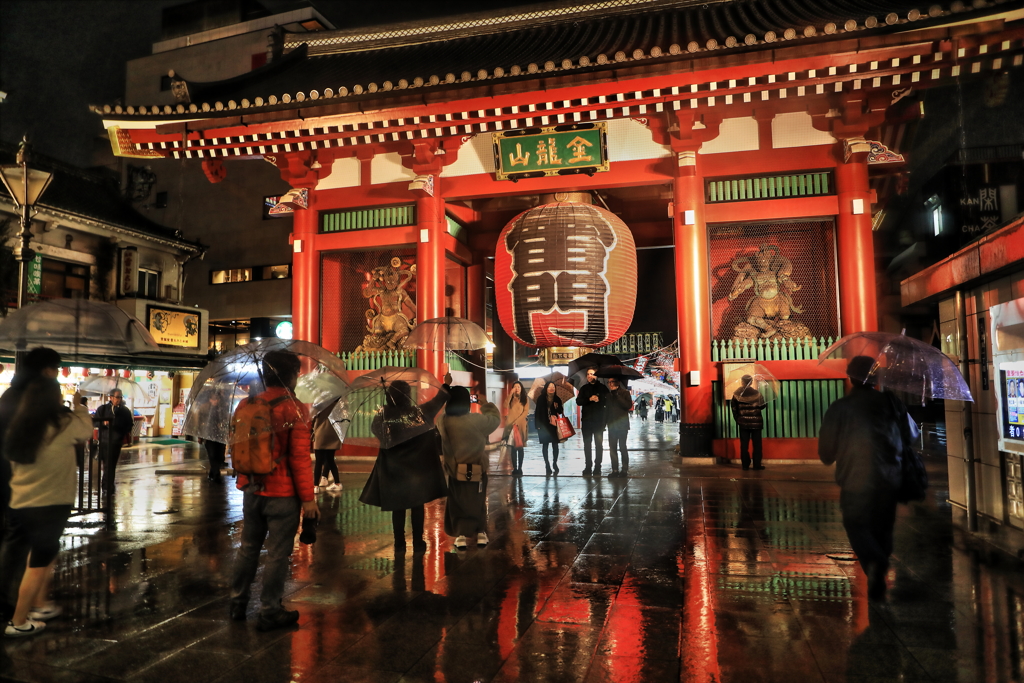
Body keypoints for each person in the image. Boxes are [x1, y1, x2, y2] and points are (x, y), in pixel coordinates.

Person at [229, 350, 319, 631]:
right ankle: (270, 610)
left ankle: (237, 603)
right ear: (291, 375)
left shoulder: (246, 403)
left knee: (248, 548)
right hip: (282, 495)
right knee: (278, 553)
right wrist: (308, 501)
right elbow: (300, 460)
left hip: (251, 488)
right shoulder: (296, 409)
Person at [2, 377, 92, 637]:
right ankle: (18, 622)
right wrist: (79, 405)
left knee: (41, 555)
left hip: (21, 502)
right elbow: (85, 429)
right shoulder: (62, 424)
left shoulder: (18, 425)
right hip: (50, 503)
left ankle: (40, 605)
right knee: (39, 562)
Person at [818, 355, 907, 601]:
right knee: (883, 526)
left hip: (855, 478)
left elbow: (826, 452)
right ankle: (879, 564)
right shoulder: (892, 403)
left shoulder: (840, 408)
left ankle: (875, 562)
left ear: (851, 378)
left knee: (856, 524)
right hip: (890, 476)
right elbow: (910, 434)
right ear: (876, 379)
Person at [0, 347, 64, 623]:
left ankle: (17, 600)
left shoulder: (10, 394)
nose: (58, 373)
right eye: (57, 368)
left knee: (18, 540)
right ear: (47, 369)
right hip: (24, 482)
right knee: (26, 543)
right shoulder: (34, 397)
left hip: (12, 478)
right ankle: (15, 605)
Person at [360, 378, 449, 553]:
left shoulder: (383, 415)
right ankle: (417, 542)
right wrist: (446, 385)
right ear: (407, 395)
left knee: (398, 508)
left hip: (393, 470)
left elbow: (376, 430)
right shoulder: (419, 413)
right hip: (416, 470)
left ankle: (399, 543)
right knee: (417, 506)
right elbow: (439, 400)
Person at [437, 386, 500, 549]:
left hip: (456, 471)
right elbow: (494, 419)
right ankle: (480, 534)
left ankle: (461, 536)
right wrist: (486, 405)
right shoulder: (477, 420)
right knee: (478, 501)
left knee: (457, 503)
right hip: (477, 469)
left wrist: (445, 388)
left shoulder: (444, 421)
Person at [93, 389, 134, 496]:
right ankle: (107, 486)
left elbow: (129, 425)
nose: (119, 399)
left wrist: (121, 432)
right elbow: (95, 422)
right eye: (117, 397)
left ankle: (107, 486)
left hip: (115, 441)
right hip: (104, 441)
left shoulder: (124, 411)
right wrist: (104, 423)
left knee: (111, 465)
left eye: (120, 397)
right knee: (107, 464)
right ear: (110, 397)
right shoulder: (102, 409)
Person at [577, 368, 609, 476]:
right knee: (587, 444)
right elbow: (578, 401)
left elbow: (608, 402)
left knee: (598, 445)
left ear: (597, 375)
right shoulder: (584, 388)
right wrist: (589, 399)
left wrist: (599, 399)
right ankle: (588, 466)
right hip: (586, 421)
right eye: (588, 374)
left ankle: (598, 466)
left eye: (592, 374)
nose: (590, 376)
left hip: (599, 422)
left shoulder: (603, 388)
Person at [731, 375, 766, 471]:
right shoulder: (757, 393)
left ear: (742, 382)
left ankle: (745, 465)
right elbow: (763, 406)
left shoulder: (736, 394)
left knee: (744, 444)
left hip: (743, 423)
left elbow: (734, 409)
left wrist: (738, 419)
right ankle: (757, 464)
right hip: (756, 423)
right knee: (757, 444)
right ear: (751, 382)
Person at [312, 399, 343, 492]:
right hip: (333, 434)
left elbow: (312, 417)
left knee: (318, 462)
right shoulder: (339, 406)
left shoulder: (319, 405)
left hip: (320, 433)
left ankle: (315, 486)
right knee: (330, 460)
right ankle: (337, 483)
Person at [534, 381, 564, 475]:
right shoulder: (541, 398)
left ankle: (555, 463)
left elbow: (560, 411)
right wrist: (537, 425)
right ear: (546, 388)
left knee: (555, 445)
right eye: (549, 387)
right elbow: (537, 412)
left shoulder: (557, 399)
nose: (551, 388)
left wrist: (557, 407)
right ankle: (547, 465)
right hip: (544, 425)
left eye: (553, 387)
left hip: (554, 425)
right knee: (545, 445)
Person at [605, 378, 633, 478]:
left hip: (622, 425)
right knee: (612, 449)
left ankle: (624, 470)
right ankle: (615, 470)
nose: (610, 384)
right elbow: (607, 410)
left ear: (617, 382)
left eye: (611, 382)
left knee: (622, 447)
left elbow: (628, 406)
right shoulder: (608, 395)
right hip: (612, 425)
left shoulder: (625, 393)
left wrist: (617, 396)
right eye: (608, 382)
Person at [200, 392, 228, 483]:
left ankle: (213, 473)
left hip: (220, 434)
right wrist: (200, 436)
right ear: (210, 399)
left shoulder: (222, 408)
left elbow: (226, 420)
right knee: (212, 454)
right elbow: (200, 422)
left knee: (219, 455)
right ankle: (215, 473)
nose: (215, 401)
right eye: (213, 399)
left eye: (217, 399)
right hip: (209, 434)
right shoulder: (204, 408)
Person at [503, 381, 529, 476]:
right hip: (511, 426)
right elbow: (505, 405)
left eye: (518, 386)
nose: (517, 388)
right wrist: (510, 394)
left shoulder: (524, 399)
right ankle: (515, 468)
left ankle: (520, 468)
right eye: (515, 387)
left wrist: (517, 421)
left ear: (521, 388)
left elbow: (525, 412)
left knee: (520, 448)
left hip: (520, 426)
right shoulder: (510, 399)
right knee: (513, 448)